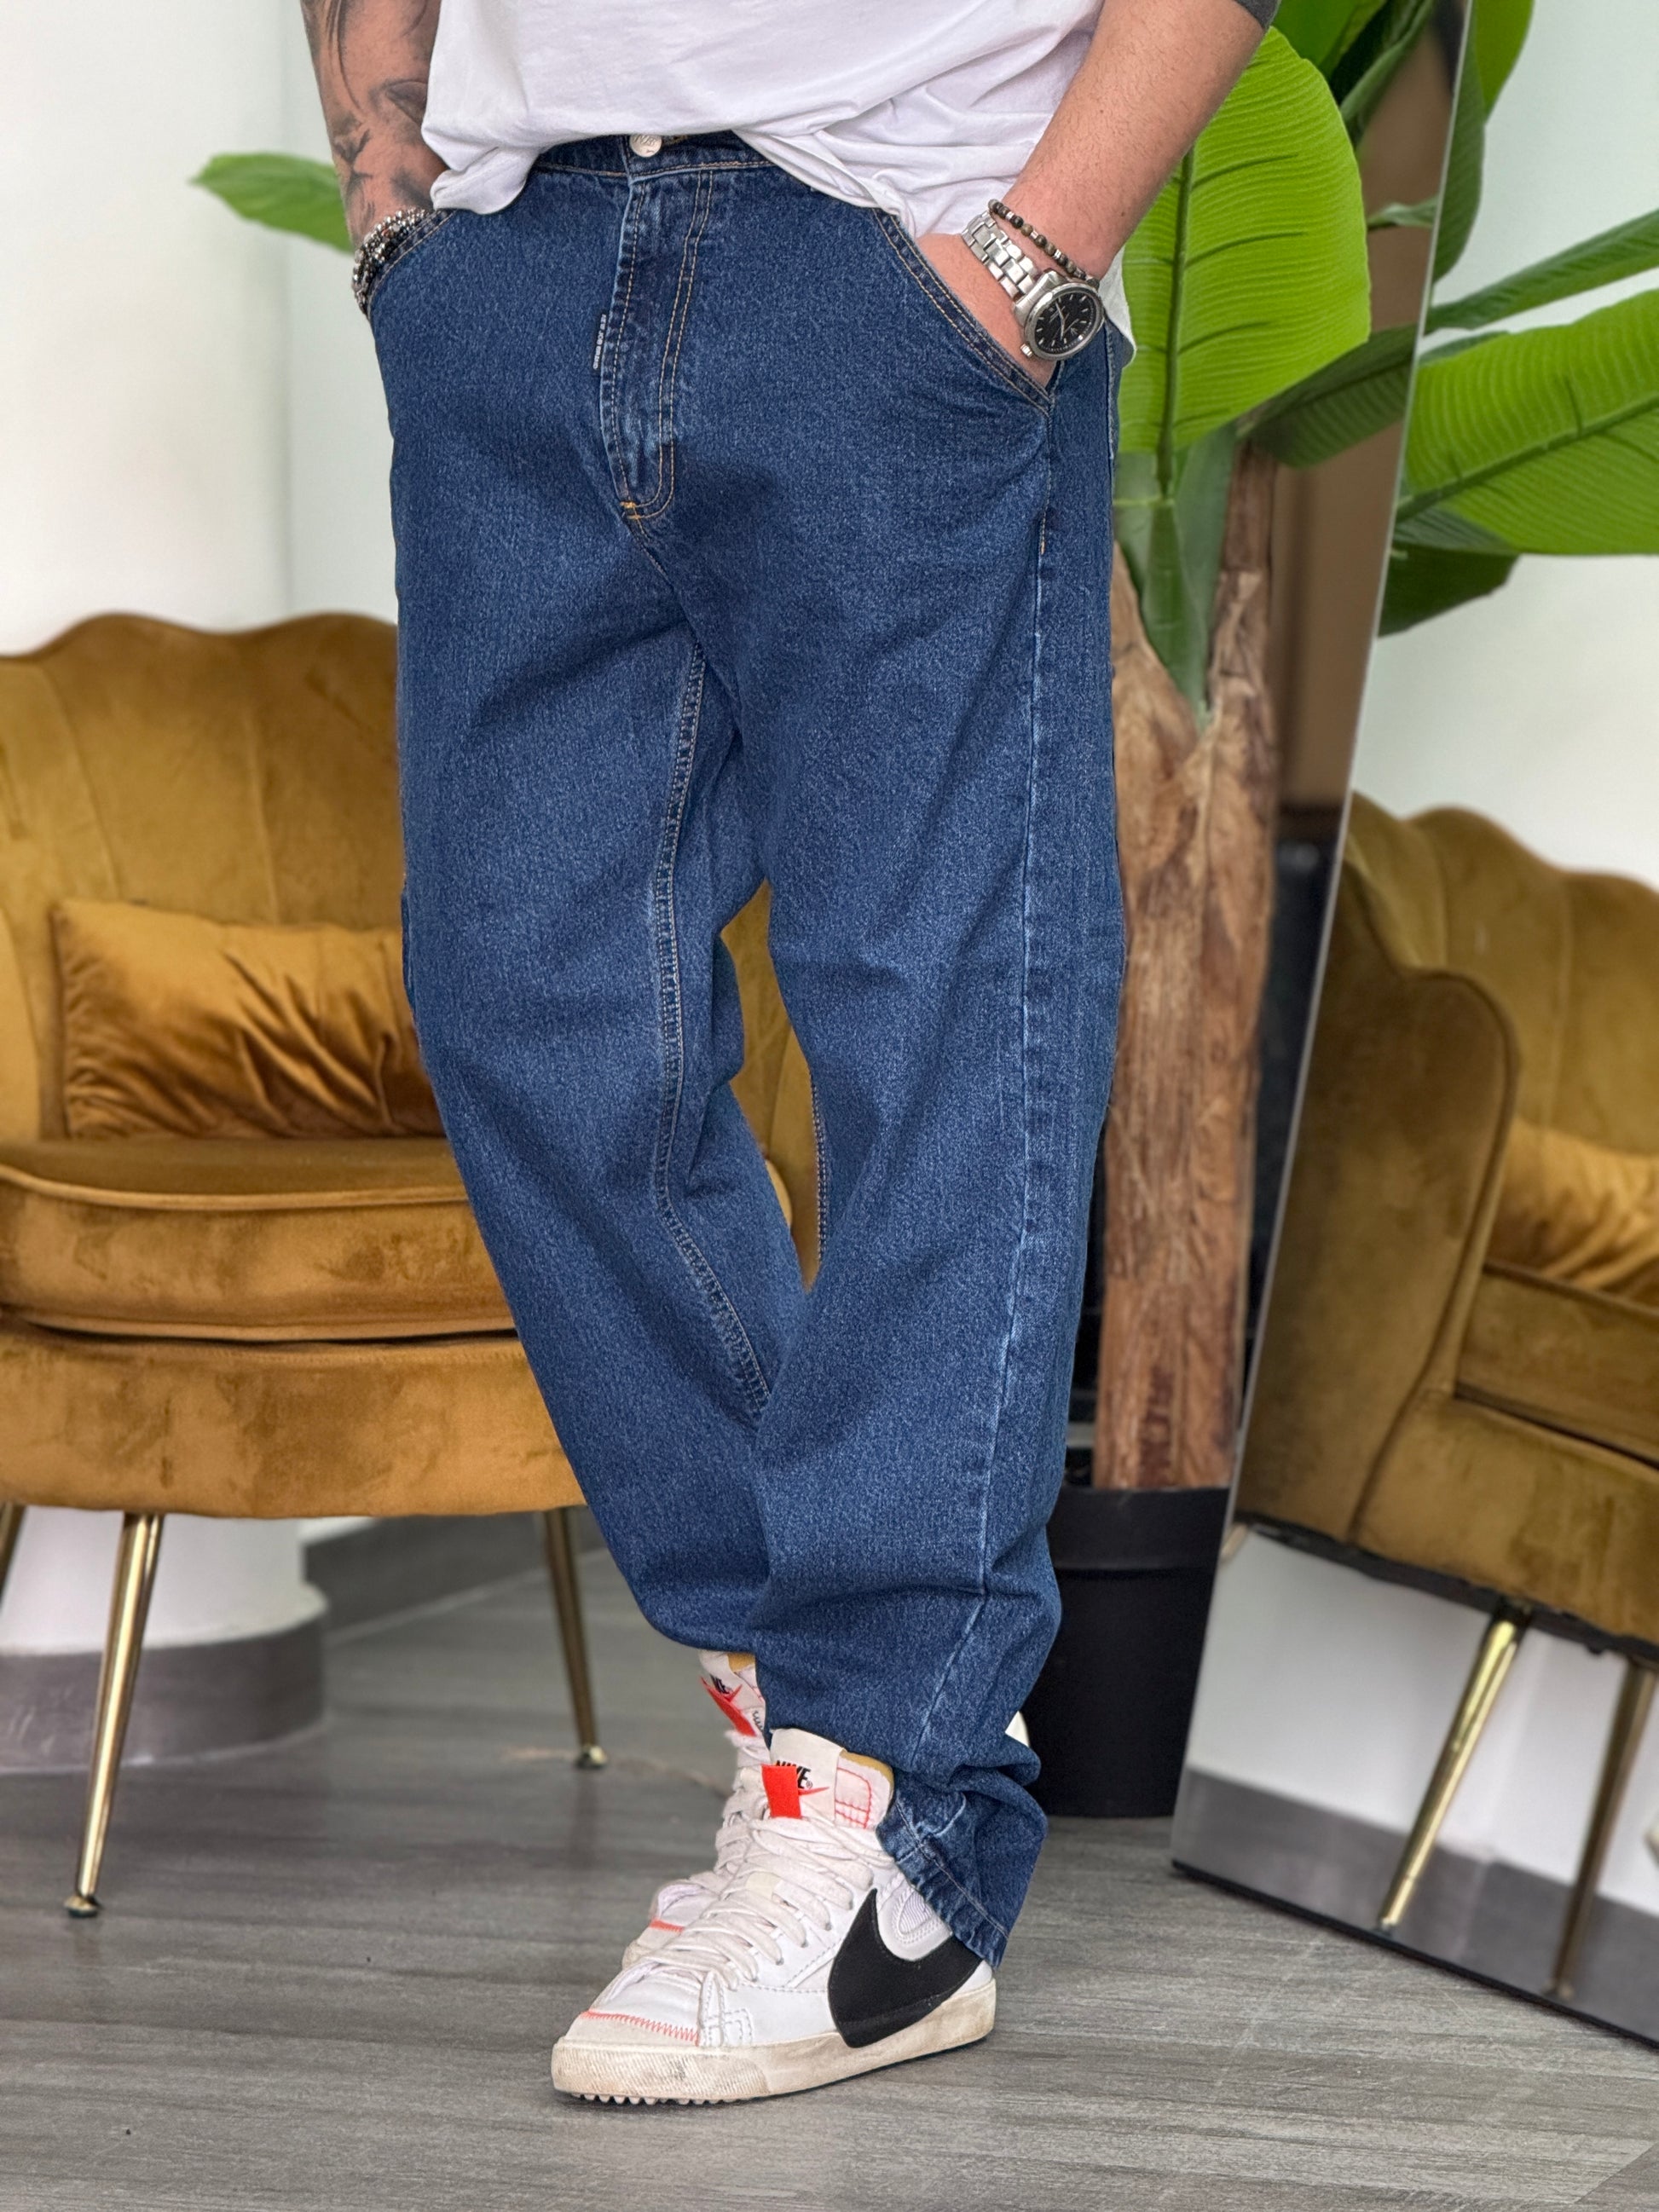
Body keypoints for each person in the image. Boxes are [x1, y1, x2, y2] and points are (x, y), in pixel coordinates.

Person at [303, 0, 1274, 2106]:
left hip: (897, 244)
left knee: (940, 1016)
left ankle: (888, 1814)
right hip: (516, 258)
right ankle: (831, 1703)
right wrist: (391, 204)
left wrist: (1028, 259)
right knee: (522, 995)